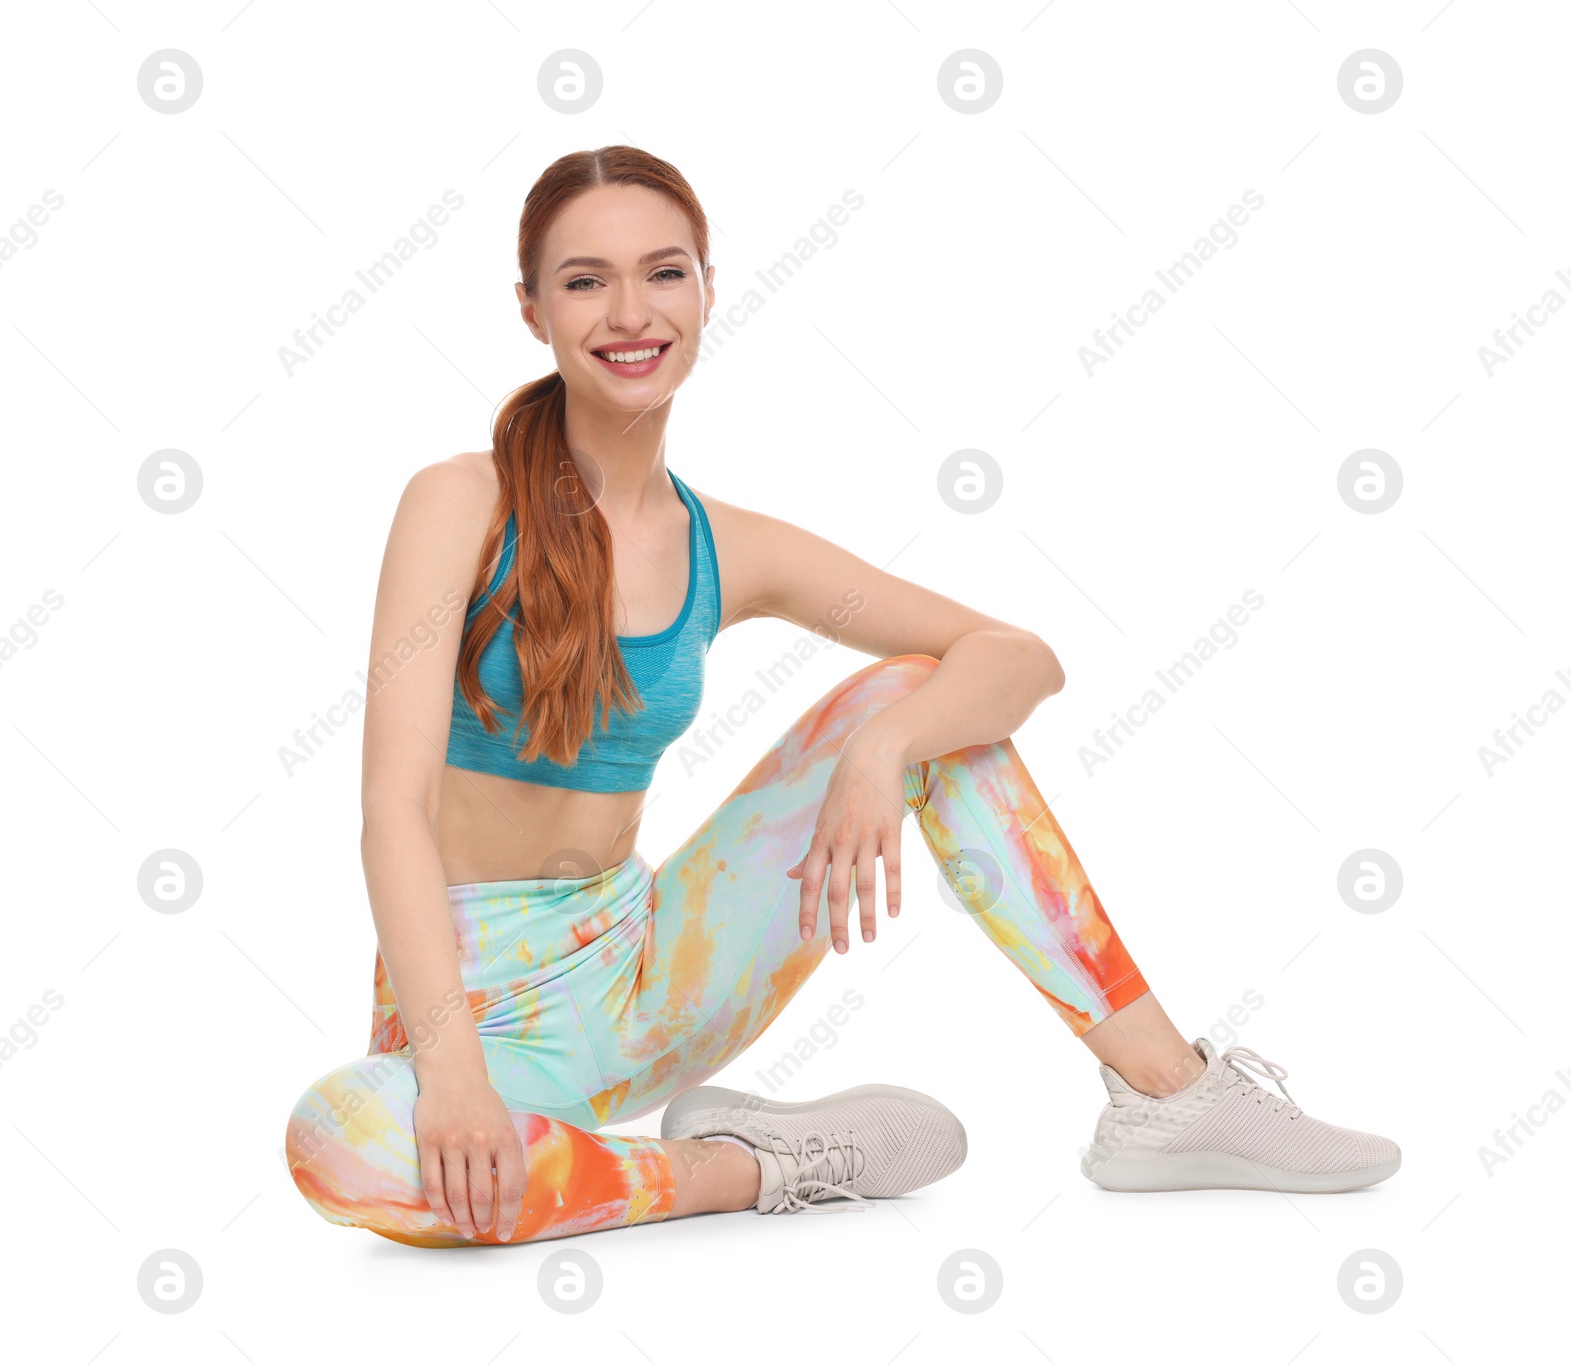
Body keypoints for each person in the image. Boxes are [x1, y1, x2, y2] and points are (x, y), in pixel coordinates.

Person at [283, 145, 1399, 1249]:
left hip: (647, 977)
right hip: (471, 1012)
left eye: (664, 272)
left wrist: (886, 748)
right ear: (531, 309)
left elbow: (1016, 657)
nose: (631, 311)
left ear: (708, 289)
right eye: (585, 281)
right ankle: (753, 1166)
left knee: (927, 696)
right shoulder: (457, 502)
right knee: (340, 1145)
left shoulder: (731, 544)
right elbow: (393, 810)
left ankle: (1171, 1096)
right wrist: (453, 1074)